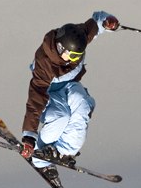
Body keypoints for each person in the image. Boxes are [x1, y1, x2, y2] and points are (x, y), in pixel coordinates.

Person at [21, 11, 119, 179]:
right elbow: (35, 98)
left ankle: (63, 151)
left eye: (78, 56)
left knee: (82, 103)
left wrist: (107, 22)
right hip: (48, 94)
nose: (74, 60)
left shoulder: (78, 36)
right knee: (62, 116)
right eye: (72, 56)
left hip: (69, 86)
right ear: (60, 48)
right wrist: (29, 135)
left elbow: (96, 22)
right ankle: (39, 158)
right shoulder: (45, 64)